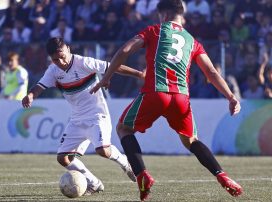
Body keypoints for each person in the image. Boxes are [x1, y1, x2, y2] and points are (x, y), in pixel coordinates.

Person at [90, 0, 243, 201]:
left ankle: (142, 175)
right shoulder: (192, 40)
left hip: (156, 93)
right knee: (191, 141)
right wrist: (230, 97)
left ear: (164, 14)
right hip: (181, 98)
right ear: (182, 16)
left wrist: (107, 77)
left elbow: (125, 50)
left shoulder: (154, 30)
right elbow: (212, 72)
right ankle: (221, 175)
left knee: (123, 129)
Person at [22, 37, 145, 195]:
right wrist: (31, 95)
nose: (61, 61)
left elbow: (113, 66)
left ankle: (125, 163)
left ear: (68, 48)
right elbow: (39, 86)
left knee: (102, 150)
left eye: (62, 56)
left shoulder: (83, 62)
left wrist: (139, 74)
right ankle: (94, 183)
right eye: (55, 59)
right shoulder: (53, 70)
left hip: (97, 115)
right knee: (63, 158)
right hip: (77, 120)